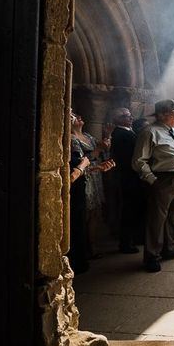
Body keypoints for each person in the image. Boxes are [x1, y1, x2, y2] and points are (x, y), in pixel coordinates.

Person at [132, 99, 174, 272]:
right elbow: (138, 161)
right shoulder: (150, 132)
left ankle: (169, 248)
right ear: (163, 115)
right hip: (163, 180)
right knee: (156, 219)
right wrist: (152, 180)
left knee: (173, 215)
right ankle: (152, 256)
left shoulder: (171, 131)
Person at [67, 109, 115, 274]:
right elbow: (84, 159)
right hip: (82, 178)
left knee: (95, 212)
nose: (79, 117)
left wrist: (106, 140)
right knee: (84, 213)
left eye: (79, 115)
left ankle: (91, 246)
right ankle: (83, 249)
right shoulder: (71, 140)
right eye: (74, 116)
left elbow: (102, 153)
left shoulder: (88, 136)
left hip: (93, 175)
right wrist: (98, 151)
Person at [109, 107, 144, 254]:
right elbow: (127, 157)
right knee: (128, 209)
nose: (130, 118)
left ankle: (134, 238)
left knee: (134, 208)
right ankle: (126, 243)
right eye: (125, 116)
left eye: (130, 115)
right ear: (116, 119)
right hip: (128, 176)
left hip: (132, 175)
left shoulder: (128, 131)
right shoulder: (120, 134)